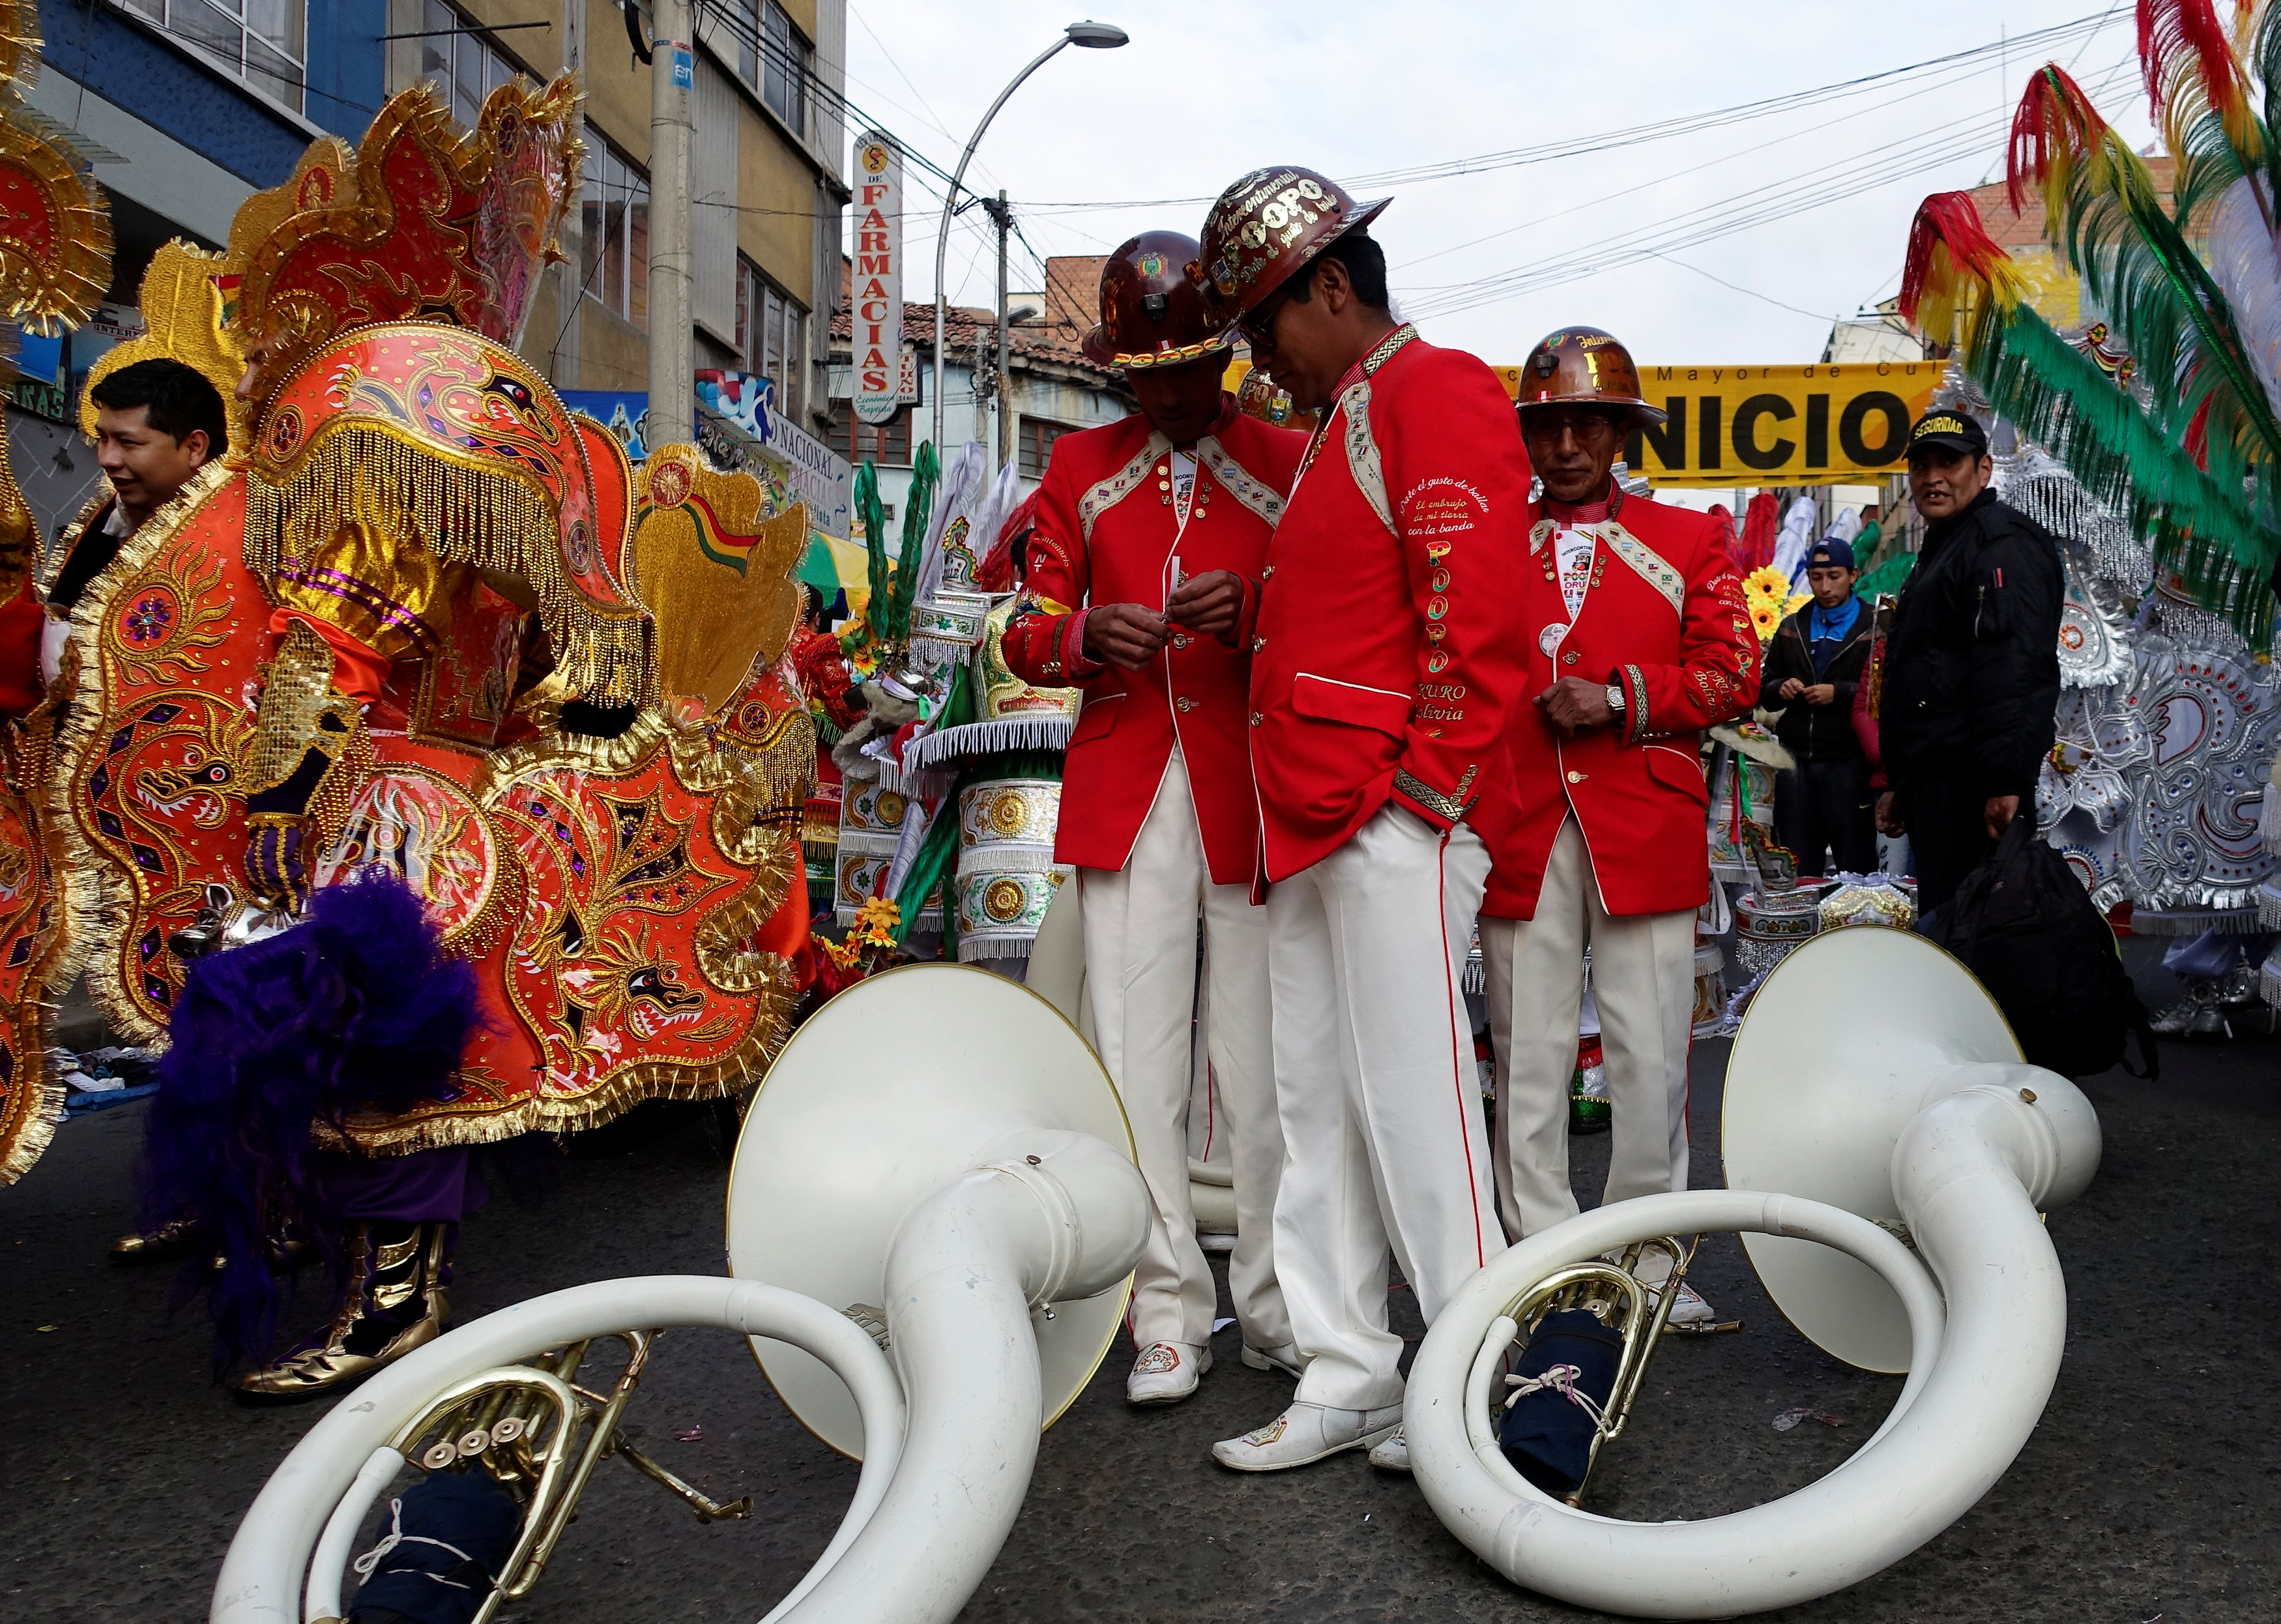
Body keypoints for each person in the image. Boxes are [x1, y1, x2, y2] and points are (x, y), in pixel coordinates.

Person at [1191, 167, 1530, 1473]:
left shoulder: (1429, 389)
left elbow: (1473, 603)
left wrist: (1428, 790)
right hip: (1317, 806)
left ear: (1332, 288)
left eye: (1265, 322)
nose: (1257, 359)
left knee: (1417, 1100)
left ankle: (1480, 1361)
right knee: (1314, 1101)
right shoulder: (1349, 415)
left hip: (1387, 806)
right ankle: (1351, 1372)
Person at [1000, 231, 1304, 1404]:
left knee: (1268, 1063)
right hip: (1129, 784)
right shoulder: (1078, 469)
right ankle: (1166, 1308)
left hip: (1257, 785)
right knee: (1136, 1067)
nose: (1174, 392)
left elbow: (1340, 616)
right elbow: (1024, 625)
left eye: (1192, 367)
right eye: (1150, 372)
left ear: (1226, 356)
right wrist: (1085, 635)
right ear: (1121, 369)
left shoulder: (1285, 458)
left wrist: (1259, 605)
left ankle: (1275, 1298)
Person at [1477, 328, 1756, 1326]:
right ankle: (1544, 1263)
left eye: (1584, 423)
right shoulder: (1485, 544)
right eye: (1547, 426)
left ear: (1621, 431)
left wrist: (1624, 697)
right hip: (1516, 822)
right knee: (1528, 1052)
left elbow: (1735, 673)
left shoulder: (1691, 538)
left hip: (1643, 822)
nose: (1564, 446)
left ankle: (1646, 1264)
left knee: (1651, 1055)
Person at [1875, 410, 2063, 914]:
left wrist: (2005, 780)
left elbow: (2016, 669)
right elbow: (1925, 675)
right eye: (1921, 466)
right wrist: (1903, 784)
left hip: (1974, 789)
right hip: (1939, 786)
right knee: (1955, 933)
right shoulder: (1945, 546)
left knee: (1986, 939)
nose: (1933, 477)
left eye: (1949, 463)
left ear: (1983, 470)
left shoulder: (2001, 544)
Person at [0, 358, 227, 725]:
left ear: (195, 447)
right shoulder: (107, 520)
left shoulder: (230, 542)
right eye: (102, 439)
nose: (107, 459)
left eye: (128, 442)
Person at [1760, 536, 1876, 876]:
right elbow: (1762, 689)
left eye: (1834, 576)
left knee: (1855, 864)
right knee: (1797, 863)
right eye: (1816, 577)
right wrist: (1780, 687)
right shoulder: (1792, 627)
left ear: (1854, 575)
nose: (1824, 587)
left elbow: (1888, 692)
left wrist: (1839, 693)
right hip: (1795, 764)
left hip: (1850, 763)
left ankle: (1856, 928)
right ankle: (1804, 929)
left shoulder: (1874, 627)